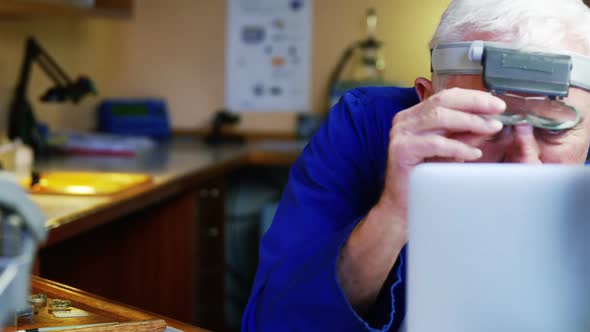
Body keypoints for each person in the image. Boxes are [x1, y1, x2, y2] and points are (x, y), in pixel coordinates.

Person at [242, 0, 590, 331]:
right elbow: (276, 323)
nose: (524, 164)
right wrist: (395, 213)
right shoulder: (368, 125)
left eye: (554, 130)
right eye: (488, 125)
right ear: (427, 99)